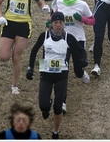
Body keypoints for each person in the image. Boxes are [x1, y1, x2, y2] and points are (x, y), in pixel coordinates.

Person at [26, 11, 88, 140]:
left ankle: (55, 131)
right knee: (44, 105)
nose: (58, 25)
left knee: (58, 107)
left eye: (60, 23)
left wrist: (84, 60)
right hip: (46, 74)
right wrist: (30, 68)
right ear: (51, 24)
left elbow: (81, 50)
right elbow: (33, 51)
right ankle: (46, 105)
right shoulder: (45, 36)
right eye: (56, 23)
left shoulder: (68, 38)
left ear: (63, 24)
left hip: (62, 75)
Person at [0, 0, 50, 95]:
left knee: (16, 57)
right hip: (8, 24)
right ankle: (10, 45)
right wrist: (0, 16)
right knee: (3, 57)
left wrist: (44, 8)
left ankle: (15, 85)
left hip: (24, 26)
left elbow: (40, 2)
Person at [48, 0, 94, 114]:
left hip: (78, 40)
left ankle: (82, 73)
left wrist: (82, 19)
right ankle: (62, 102)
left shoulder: (82, 4)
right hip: (63, 40)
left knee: (77, 70)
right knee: (63, 72)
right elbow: (55, 16)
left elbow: (92, 20)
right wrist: (49, 22)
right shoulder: (59, 2)